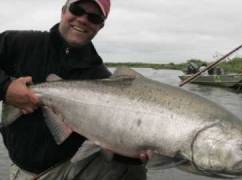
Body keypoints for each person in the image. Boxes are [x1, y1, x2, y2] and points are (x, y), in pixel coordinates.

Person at [0, 0, 150, 179]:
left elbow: (103, 137)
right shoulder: (18, 43)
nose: (83, 19)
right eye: (77, 10)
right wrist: (6, 88)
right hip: (26, 171)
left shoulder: (102, 78)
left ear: (100, 26)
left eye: (93, 17)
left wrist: (135, 152)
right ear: (63, 11)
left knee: (133, 170)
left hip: (74, 166)